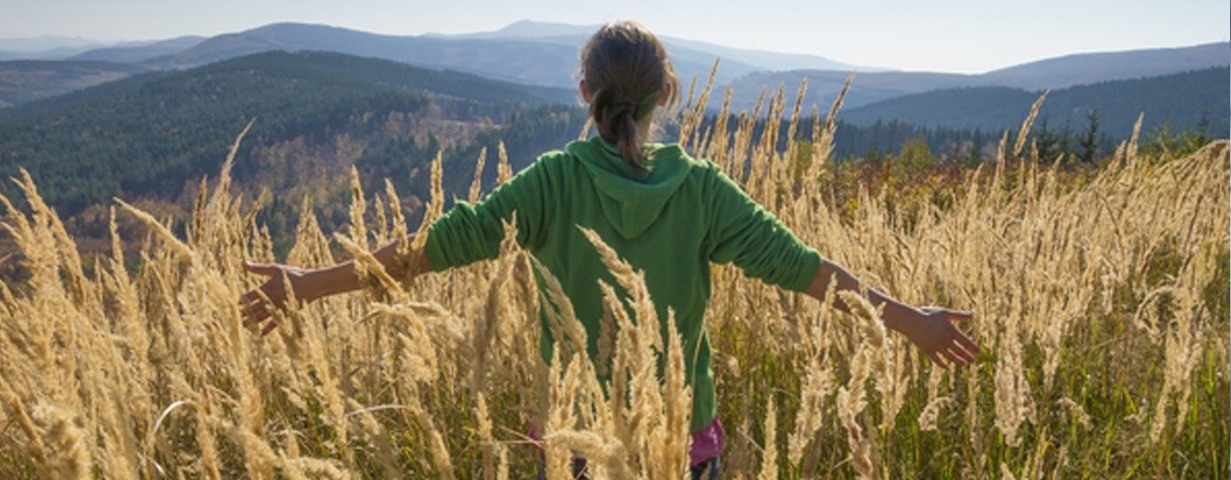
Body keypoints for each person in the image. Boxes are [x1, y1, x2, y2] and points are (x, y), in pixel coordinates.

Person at [241, 20, 981, 480]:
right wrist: (907, 319)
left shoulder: (553, 184)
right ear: (666, 95)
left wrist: (306, 283)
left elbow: (430, 248)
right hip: (682, 450)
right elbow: (806, 270)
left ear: (584, 91)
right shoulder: (701, 191)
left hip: (575, 448)